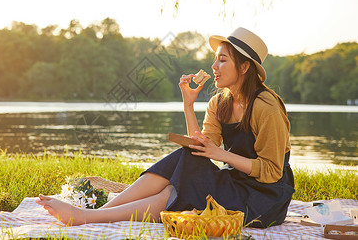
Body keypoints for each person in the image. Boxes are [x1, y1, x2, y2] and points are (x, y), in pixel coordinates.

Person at [36, 27, 295, 228]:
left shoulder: (266, 106)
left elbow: (271, 172)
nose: (214, 67)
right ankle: (92, 215)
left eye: (223, 60)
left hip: (264, 197)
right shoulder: (220, 102)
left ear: (245, 66)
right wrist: (188, 105)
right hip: (234, 182)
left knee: (176, 191)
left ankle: (87, 218)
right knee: (186, 157)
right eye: (215, 60)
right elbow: (203, 146)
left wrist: (222, 155)